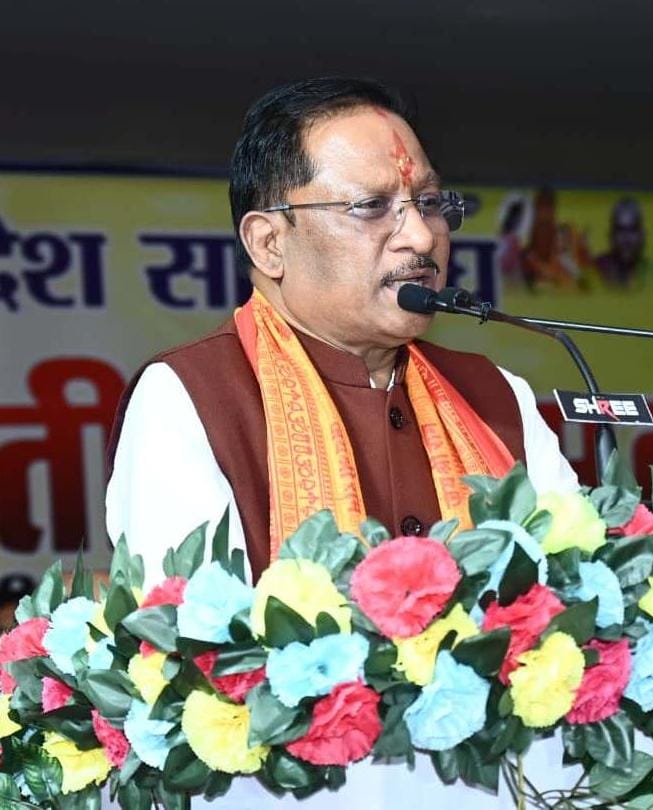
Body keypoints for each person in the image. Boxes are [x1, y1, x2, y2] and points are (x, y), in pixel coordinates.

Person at [106, 77, 579, 809]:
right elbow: (191, 659)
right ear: (269, 242)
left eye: (430, 203)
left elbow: (578, 603)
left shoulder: (495, 396)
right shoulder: (192, 395)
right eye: (371, 207)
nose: (420, 237)